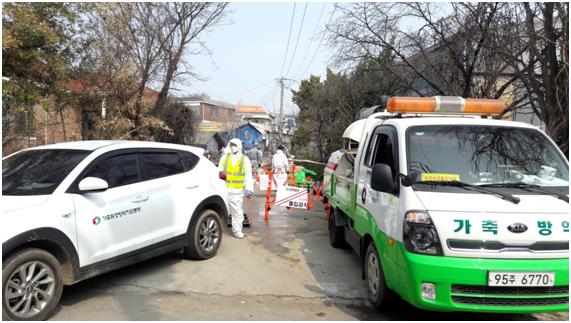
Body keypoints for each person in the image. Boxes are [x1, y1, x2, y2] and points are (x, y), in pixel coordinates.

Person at [218, 138, 253, 239]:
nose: (233, 147)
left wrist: (249, 189)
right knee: (223, 210)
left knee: (237, 212)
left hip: (238, 191)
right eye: (231, 145)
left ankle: (237, 230)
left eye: (235, 145)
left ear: (239, 146)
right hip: (224, 189)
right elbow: (219, 171)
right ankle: (220, 229)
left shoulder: (244, 160)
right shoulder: (225, 158)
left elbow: (248, 175)